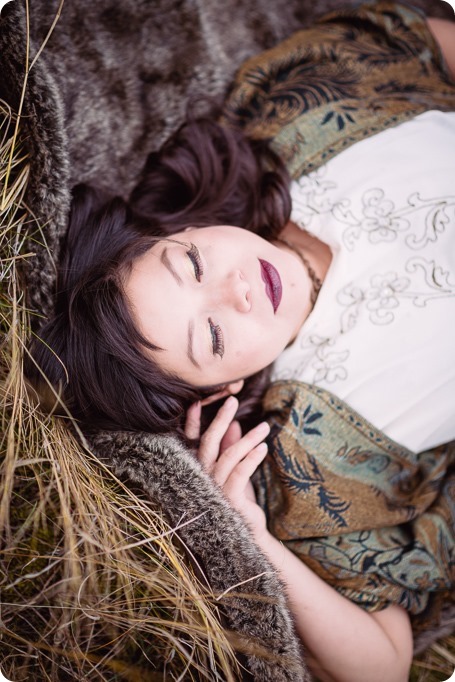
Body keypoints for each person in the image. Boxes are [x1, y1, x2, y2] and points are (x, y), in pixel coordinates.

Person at [27, 4, 455, 681]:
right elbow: (383, 666)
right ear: (223, 390)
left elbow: (426, 44)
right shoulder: (323, 461)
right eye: (214, 335)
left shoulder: (297, 117)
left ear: (187, 226)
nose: (237, 291)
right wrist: (256, 540)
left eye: (191, 264)